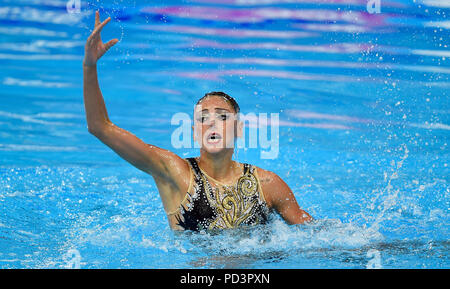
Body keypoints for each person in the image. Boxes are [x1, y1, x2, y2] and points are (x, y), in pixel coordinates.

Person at [83, 11, 312, 232]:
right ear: (194, 132)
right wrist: (90, 66)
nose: (212, 123)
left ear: (239, 129)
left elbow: (315, 236)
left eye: (222, 116)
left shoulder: (267, 184)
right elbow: (99, 127)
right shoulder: (174, 172)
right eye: (203, 118)